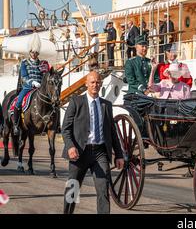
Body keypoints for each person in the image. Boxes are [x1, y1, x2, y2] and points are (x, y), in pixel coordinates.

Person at [61, 71, 124, 214]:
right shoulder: (76, 102)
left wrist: (119, 155)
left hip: (100, 153)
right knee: (73, 189)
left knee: (103, 190)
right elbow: (65, 128)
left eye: (98, 82)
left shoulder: (106, 105)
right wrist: (70, 147)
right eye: (92, 82)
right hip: (79, 153)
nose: (95, 85)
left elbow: (112, 132)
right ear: (86, 84)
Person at [13, 33, 50, 137]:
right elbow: (24, 77)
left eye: (35, 52)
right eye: (32, 52)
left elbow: (44, 76)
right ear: (29, 52)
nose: (34, 53)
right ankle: (16, 125)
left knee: (51, 103)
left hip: (40, 89)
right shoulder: (24, 63)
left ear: (37, 52)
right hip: (28, 88)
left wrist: (42, 83)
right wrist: (33, 82)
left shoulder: (42, 63)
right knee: (18, 102)